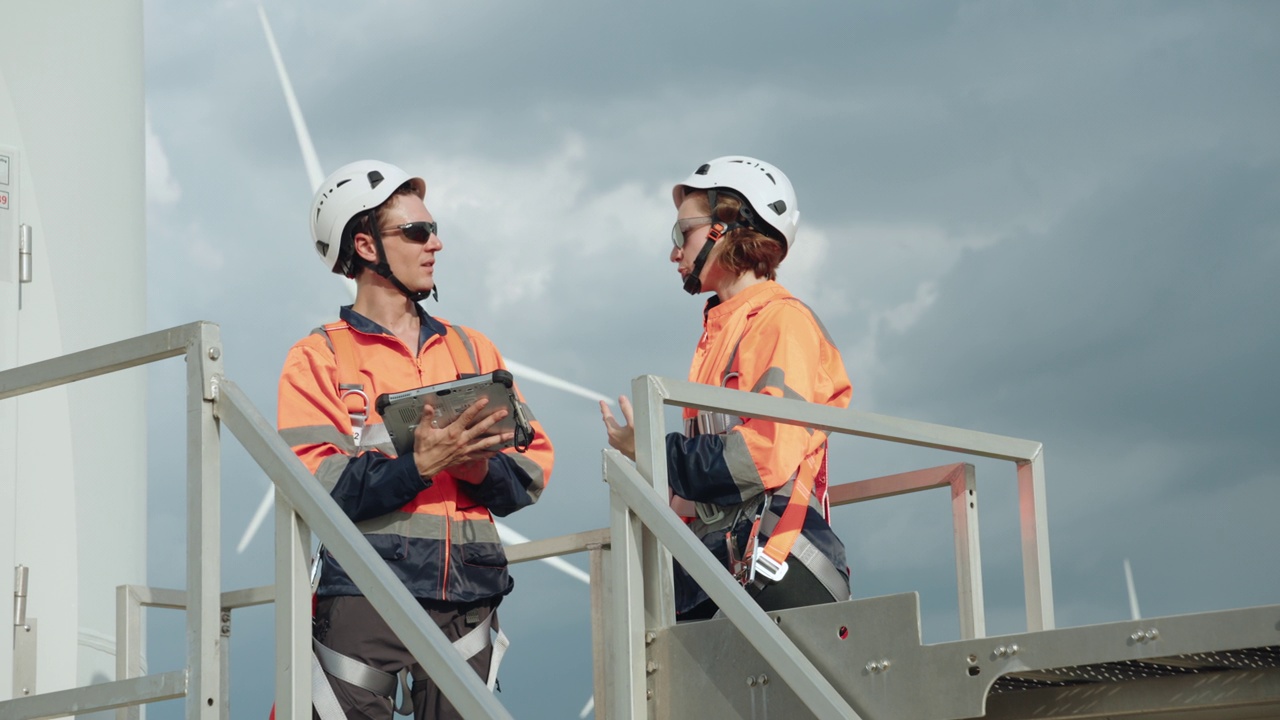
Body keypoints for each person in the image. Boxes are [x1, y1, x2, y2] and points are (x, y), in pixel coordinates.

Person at [277, 159, 553, 718]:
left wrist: (477, 469)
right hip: (364, 595)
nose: (436, 244)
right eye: (418, 231)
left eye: (434, 229)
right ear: (366, 245)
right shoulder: (318, 358)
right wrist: (419, 466)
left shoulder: (474, 350)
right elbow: (315, 486)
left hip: (467, 601)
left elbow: (533, 472)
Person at [600, 156, 851, 620]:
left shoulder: (781, 321)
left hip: (772, 563)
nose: (674, 251)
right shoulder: (723, 330)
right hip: (725, 557)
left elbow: (764, 457)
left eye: (683, 233)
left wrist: (655, 452)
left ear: (730, 227)